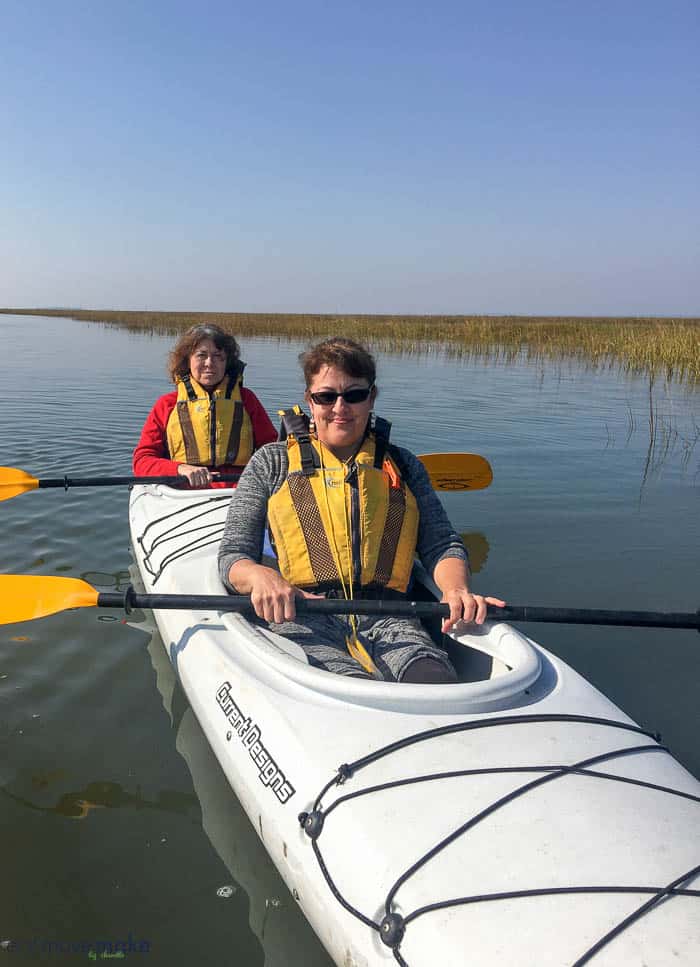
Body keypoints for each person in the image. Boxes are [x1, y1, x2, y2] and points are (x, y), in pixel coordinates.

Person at [217, 337, 505, 683]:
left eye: (353, 395)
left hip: (392, 618)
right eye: (326, 396)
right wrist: (262, 576)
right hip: (300, 614)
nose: (340, 407)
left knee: (434, 680)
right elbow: (234, 555)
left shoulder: (403, 465)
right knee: (347, 684)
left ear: (372, 397)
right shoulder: (271, 462)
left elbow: (441, 543)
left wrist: (455, 589)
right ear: (310, 401)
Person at [133, 324, 277, 488]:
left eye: (217, 356)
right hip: (184, 491)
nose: (209, 363)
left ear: (227, 362)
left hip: (239, 491)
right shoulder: (167, 405)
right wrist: (180, 468)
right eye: (201, 355)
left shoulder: (247, 400)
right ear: (187, 360)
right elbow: (142, 461)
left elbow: (273, 453)